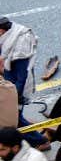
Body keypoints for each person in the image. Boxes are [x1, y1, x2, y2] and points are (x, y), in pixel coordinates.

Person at [0, 17, 47, 148]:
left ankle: (41, 141)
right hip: (9, 84)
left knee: (15, 120)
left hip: (16, 89)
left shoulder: (20, 47)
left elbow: (22, 76)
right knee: (16, 119)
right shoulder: (8, 38)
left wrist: (15, 96)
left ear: (2, 31)